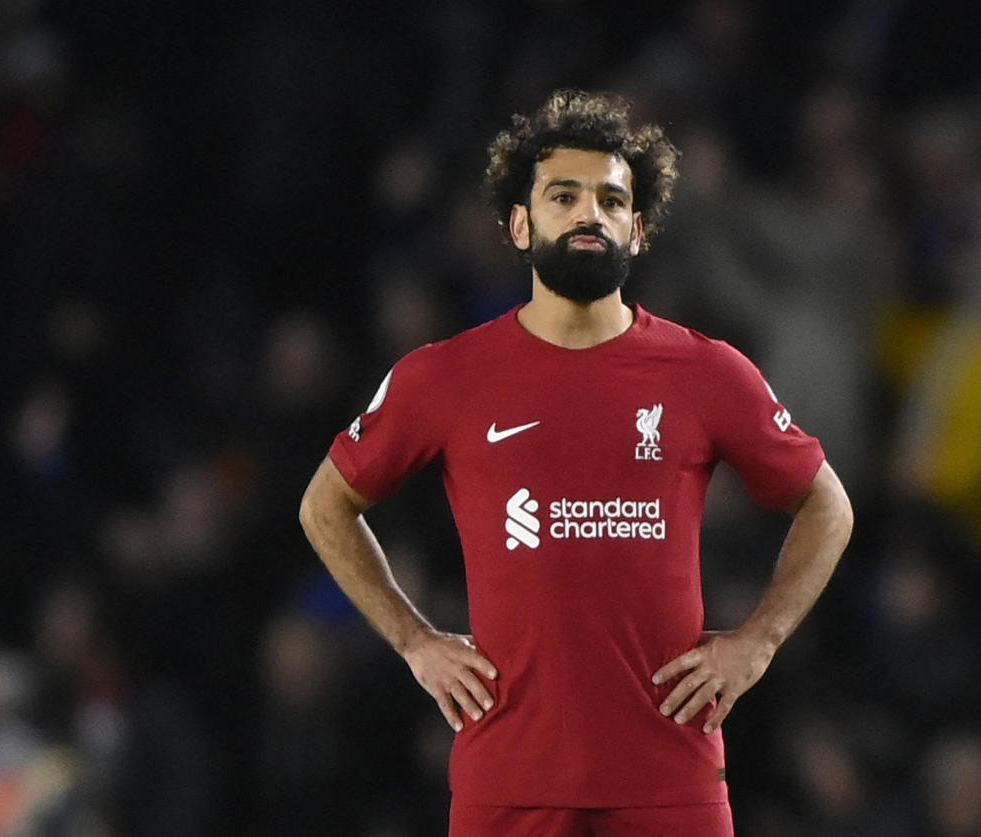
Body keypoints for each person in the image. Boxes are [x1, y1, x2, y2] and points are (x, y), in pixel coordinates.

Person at [298, 89, 854, 837]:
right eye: (564, 195)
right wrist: (415, 640)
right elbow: (325, 504)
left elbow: (828, 504)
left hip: (670, 775)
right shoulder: (444, 375)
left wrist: (757, 641)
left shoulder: (708, 371)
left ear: (639, 228)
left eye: (612, 199)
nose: (590, 213)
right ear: (521, 224)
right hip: (510, 775)